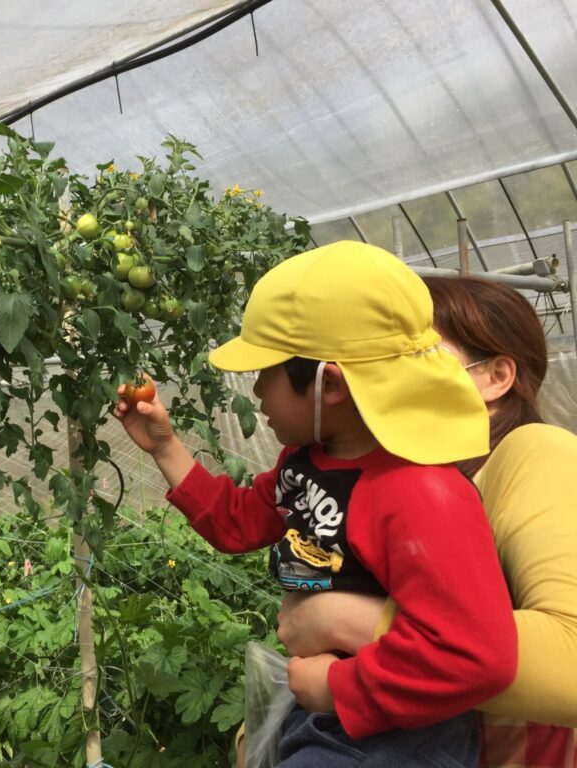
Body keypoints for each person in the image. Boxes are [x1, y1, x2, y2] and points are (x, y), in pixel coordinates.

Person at [114, 240, 518, 766]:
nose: (258, 390)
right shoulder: (306, 462)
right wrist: (165, 447)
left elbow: (476, 656)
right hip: (330, 709)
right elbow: (239, 523)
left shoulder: (419, 493)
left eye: (268, 372)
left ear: (330, 385)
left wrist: (339, 685)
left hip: (397, 735)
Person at [276, 274, 577, 766]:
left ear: (495, 377)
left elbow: (571, 660)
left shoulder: (533, 450)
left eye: (416, 355)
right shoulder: (405, 477)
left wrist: (343, 620)